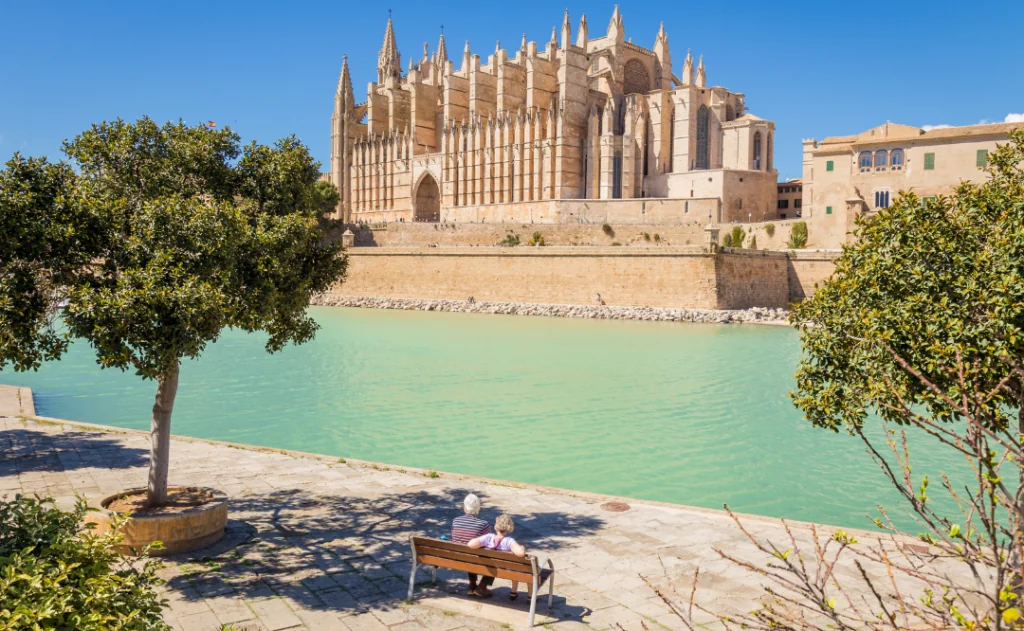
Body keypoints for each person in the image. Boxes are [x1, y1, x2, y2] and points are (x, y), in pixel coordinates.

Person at [468, 514, 527, 600]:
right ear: (509, 528)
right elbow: (521, 553)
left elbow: (470, 544)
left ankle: (474, 585)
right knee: (513, 567)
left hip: (485, 566)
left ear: (496, 526)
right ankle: (513, 593)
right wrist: (522, 547)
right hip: (502, 569)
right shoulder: (509, 541)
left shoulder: (488, 537)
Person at [451, 494, 494, 597]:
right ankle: (482, 587)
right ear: (478, 508)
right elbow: (489, 544)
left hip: (457, 558)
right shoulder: (483, 524)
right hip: (475, 559)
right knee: (494, 558)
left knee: (470, 552)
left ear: (465, 507)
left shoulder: (455, 521)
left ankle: (472, 584)